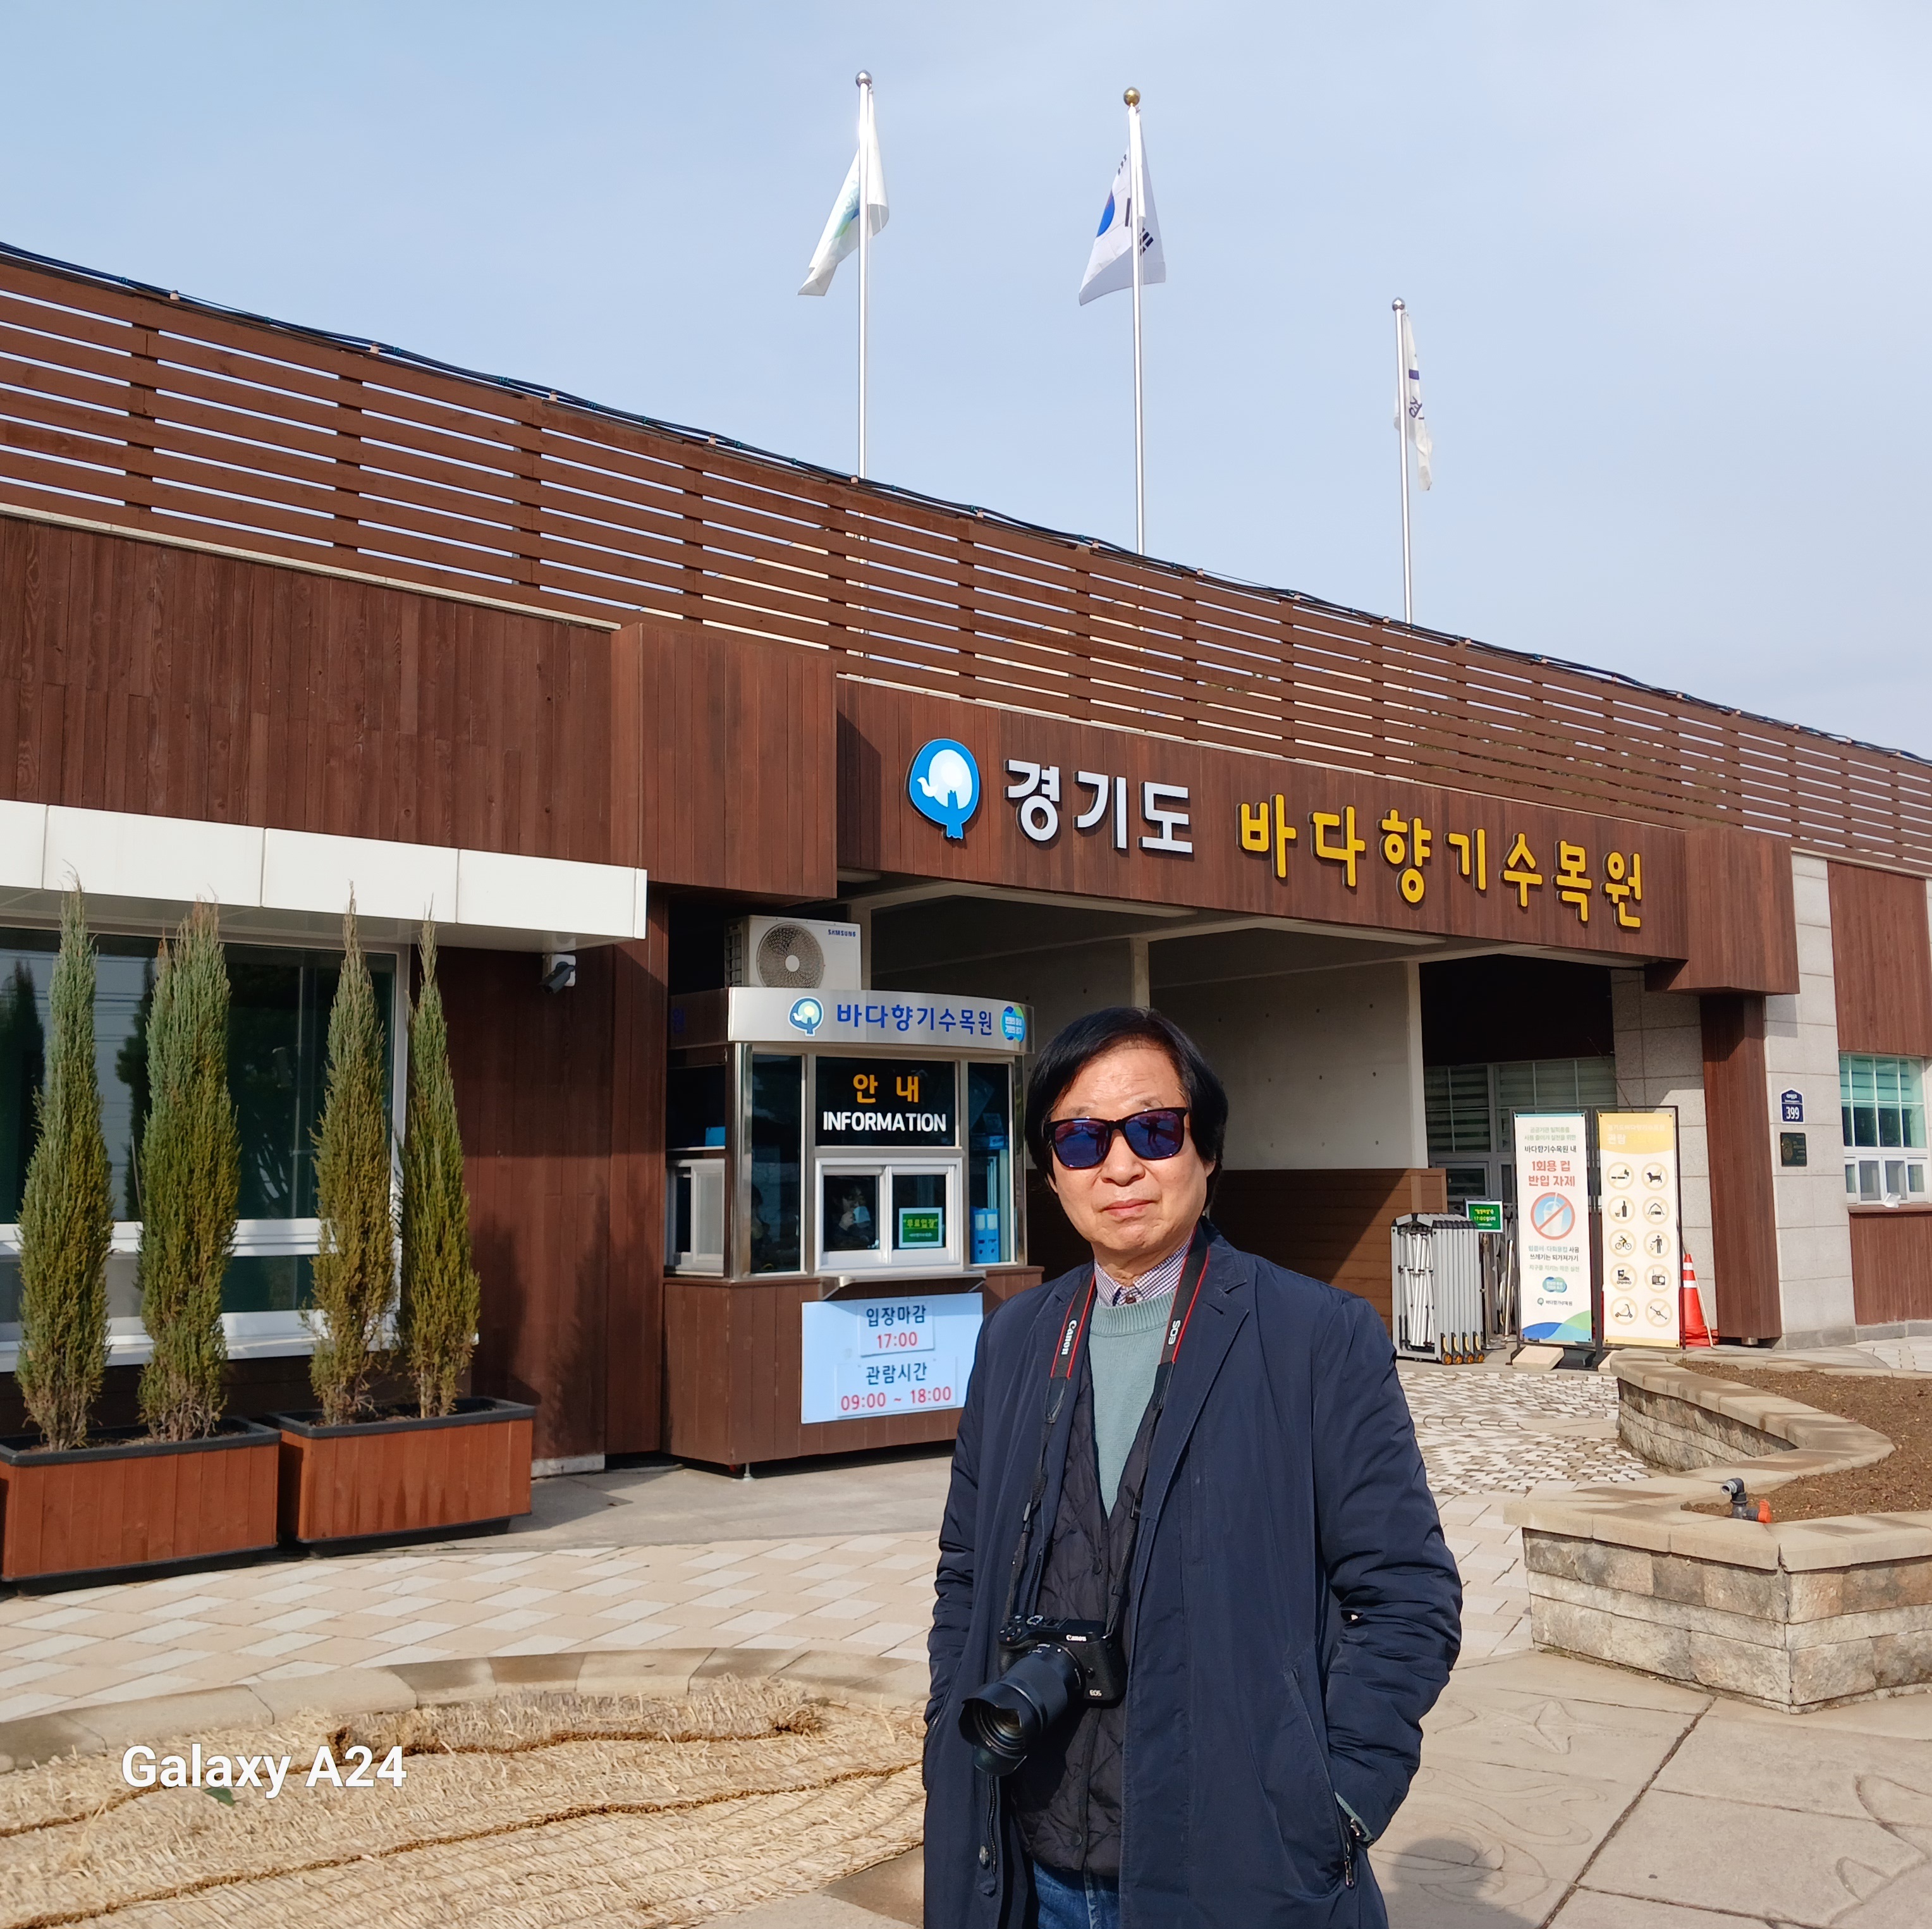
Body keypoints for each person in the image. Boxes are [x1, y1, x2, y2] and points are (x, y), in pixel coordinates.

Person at [923, 1008, 1461, 1928]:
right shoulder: (1015, 1339)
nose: (1120, 1166)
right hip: (1021, 1856)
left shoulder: (1313, 1336)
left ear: (1206, 1151)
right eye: (1083, 1139)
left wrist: (1337, 1800)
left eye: (1153, 1130)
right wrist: (949, 1726)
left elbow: (1407, 1595)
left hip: (1235, 1863)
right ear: (1051, 1171)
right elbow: (965, 1571)